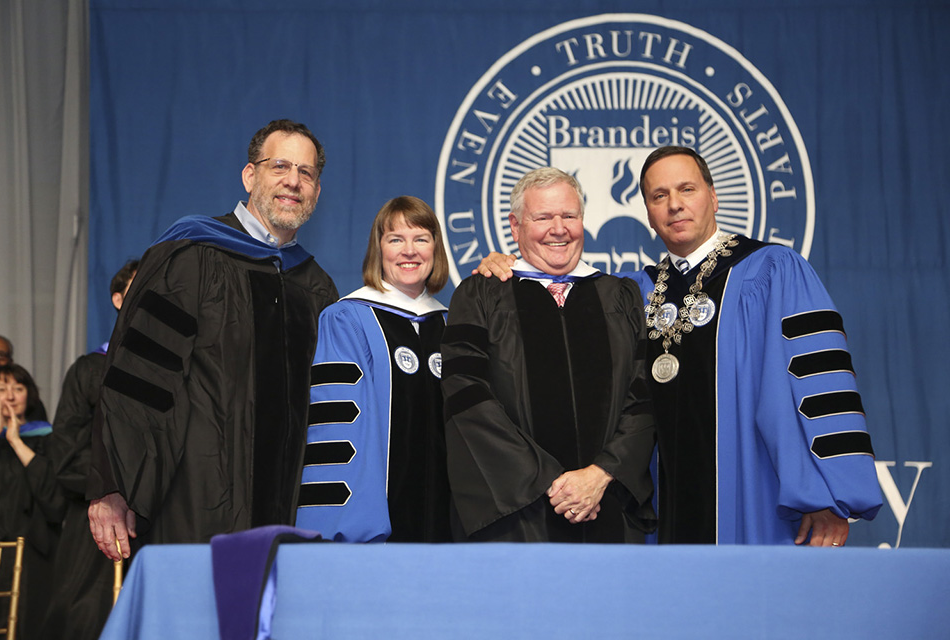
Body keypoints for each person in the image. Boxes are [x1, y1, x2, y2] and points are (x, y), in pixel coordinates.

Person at [476, 147, 882, 546]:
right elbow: (555, 293)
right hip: (660, 508)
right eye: (658, 196)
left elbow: (819, 385)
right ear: (648, 215)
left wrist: (829, 496)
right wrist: (510, 266)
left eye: (686, 189)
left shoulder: (772, 271)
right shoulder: (631, 292)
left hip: (755, 495)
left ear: (713, 196)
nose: (674, 205)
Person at [87, 119, 339, 562]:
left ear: (317, 190)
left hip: (290, 510)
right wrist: (114, 484)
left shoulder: (317, 287)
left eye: (307, 173)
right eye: (280, 166)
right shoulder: (191, 256)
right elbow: (138, 378)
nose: (293, 182)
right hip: (197, 497)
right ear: (249, 175)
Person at [441, 167, 656, 543]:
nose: (559, 229)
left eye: (569, 216)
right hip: (518, 516)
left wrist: (601, 474)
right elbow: (467, 397)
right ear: (516, 226)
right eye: (543, 217)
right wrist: (548, 480)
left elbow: (644, 398)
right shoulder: (482, 296)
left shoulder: (620, 298)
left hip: (607, 503)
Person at [296, 196, 451, 542]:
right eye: (395, 239)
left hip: (446, 526)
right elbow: (338, 430)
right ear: (378, 250)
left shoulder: (450, 326)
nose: (409, 251)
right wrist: (355, 527)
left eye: (421, 239)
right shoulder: (348, 319)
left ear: (436, 250)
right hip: (373, 527)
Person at [40, 260, 138, 640]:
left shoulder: (180, 372)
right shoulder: (89, 370)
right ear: (117, 299)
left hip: (158, 522)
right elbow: (65, 453)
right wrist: (116, 490)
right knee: (87, 620)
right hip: (97, 522)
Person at [0, 364, 62, 640]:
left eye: (17, 389)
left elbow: (54, 498)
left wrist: (15, 440)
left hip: (34, 552)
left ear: (29, 395)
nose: (9, 396)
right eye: (0, 389)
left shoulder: (46, 438)